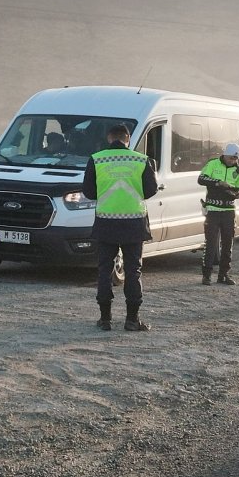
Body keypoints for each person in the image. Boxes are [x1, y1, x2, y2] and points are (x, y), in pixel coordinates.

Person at [81, 124, 159, 331]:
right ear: (128, 138)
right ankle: (132, 320)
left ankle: (105, 319)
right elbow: (151, 190)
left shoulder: (97, 159)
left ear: (109, 138)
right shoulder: (141, 160)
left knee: (104, 270)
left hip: (106, 221)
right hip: (134, 222)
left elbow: (88, 191)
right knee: (133, 271)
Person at [198, 143, 239, 285]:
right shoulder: (213, 164)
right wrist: (219, 183)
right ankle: (206, 275)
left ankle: (224, 274)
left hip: (229, 211)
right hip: (213, 210)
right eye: (231, 158)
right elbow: (201, 179)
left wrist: (237, 193)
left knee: (227, 244)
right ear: (224, 155)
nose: (233, 161)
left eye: (235, 159)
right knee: (210, 244)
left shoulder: (237, 169)